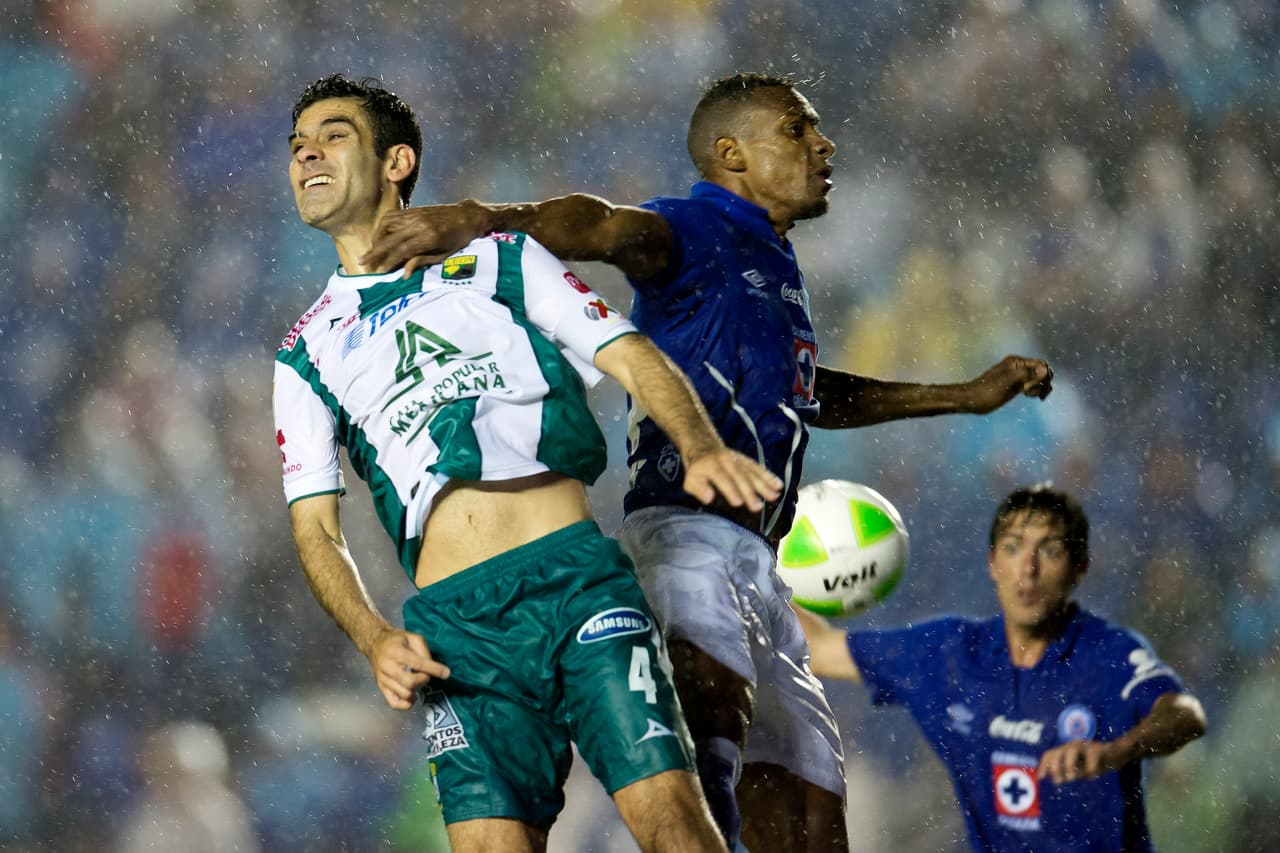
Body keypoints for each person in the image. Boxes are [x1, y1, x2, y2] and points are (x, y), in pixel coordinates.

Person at [359, 72, 1055, 852]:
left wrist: (963, 394)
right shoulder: (692, 228)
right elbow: (602, 227)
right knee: (709, 752)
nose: (822, 146)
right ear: (732, 154)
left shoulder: (773, 266)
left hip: (763, 563)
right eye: (797, 130)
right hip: (683, 536)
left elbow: (806, 390)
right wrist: (480, 219)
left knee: (813, 818)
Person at [274, 74, 788, 853]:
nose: (307, 151)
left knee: (676, 825)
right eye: (297, 144)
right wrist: (374, 637)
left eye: (334, 133)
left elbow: (628, 351)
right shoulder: (303, 351)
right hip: (456, 633)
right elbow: (315, 527)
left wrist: (702, 443)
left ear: (396, 162)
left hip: (573, 581)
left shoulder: (501, 259)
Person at [796, 485, 1208, 852]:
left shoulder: (1108, 653)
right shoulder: (949, 653)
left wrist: (1116, 750)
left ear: (1079, 568)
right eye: (1013, 547)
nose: (1028, 568)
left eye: (1050, 550)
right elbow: (818, 646)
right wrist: (751, 563)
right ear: (993, 563)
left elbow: (1185, 714)